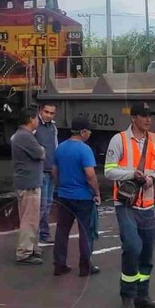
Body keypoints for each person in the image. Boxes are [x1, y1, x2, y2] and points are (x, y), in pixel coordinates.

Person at [104, 101, 155, 308]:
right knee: (132, 248)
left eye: (150, 116)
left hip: (147, 206)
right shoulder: (119, 139)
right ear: (133, 118)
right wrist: (132, 173)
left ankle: (142, 296)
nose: (148, 119)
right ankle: (127, 298)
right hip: (126, 205)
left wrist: (153, 177)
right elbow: (109, 171)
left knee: (147, 253)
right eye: (143, 116)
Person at [52, 116, 101, 277]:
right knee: (85, 232)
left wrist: (60, 188)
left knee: (62, 230)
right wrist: (97, 193)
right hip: (83, 198)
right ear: (82, 132)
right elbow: (90, 175)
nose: (90, 133)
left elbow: (54, 171)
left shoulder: (60, 148)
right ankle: (85, 267)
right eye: (89, 131)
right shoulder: (84, 149)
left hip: (64, 196)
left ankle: (59, 265)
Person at [11, 106, 45, 265]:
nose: (38, 121)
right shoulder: (25, 136)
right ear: (31, 119)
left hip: (26, 182)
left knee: (30, 218)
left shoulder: (21, 135)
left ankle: (31, 247)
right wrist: (42, 149)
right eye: (37, 118)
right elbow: (40, 153)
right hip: (29, 184)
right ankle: (25, 252)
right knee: (29, 219)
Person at [35, 102, 58, 244]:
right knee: (41, 205)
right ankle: (35, 236)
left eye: (51, 113)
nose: (48, 115)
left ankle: (44, 233)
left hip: (51, 171)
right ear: (40, 111)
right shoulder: (35, 126)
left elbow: (55, 146)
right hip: (40, 171)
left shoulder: (53, 127)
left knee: (48, 204)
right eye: (46, 112)